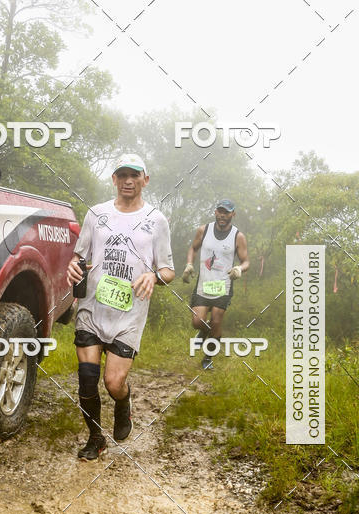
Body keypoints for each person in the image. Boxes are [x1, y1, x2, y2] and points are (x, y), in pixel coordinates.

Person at [66, 154, 175, 460]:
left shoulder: (156, 220)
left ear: (145, 180)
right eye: (122, 175)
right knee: (87, 378)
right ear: (114, 179)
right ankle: (95, 438)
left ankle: (123, 402)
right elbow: (79, 257)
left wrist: (154, 277)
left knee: (113, 382)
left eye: (135, 175)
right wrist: (72, 268)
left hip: (129, 315)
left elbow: (168, 270)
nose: (128, 180)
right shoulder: (96, 214)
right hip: (92, 308)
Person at [182, 199, 249, 369]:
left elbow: (246, 261)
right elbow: (193, 248)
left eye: (226, 212)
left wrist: (239, 269)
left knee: (217, 321)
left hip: (223, 285)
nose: (222, 215)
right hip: (204, 284)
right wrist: (189, 264)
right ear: (215, 212)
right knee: (197, 322)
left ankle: (207, 358)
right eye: (220, 211)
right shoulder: (203, 230)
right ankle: (203, 331)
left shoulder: (238, 236)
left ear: (233, 214)